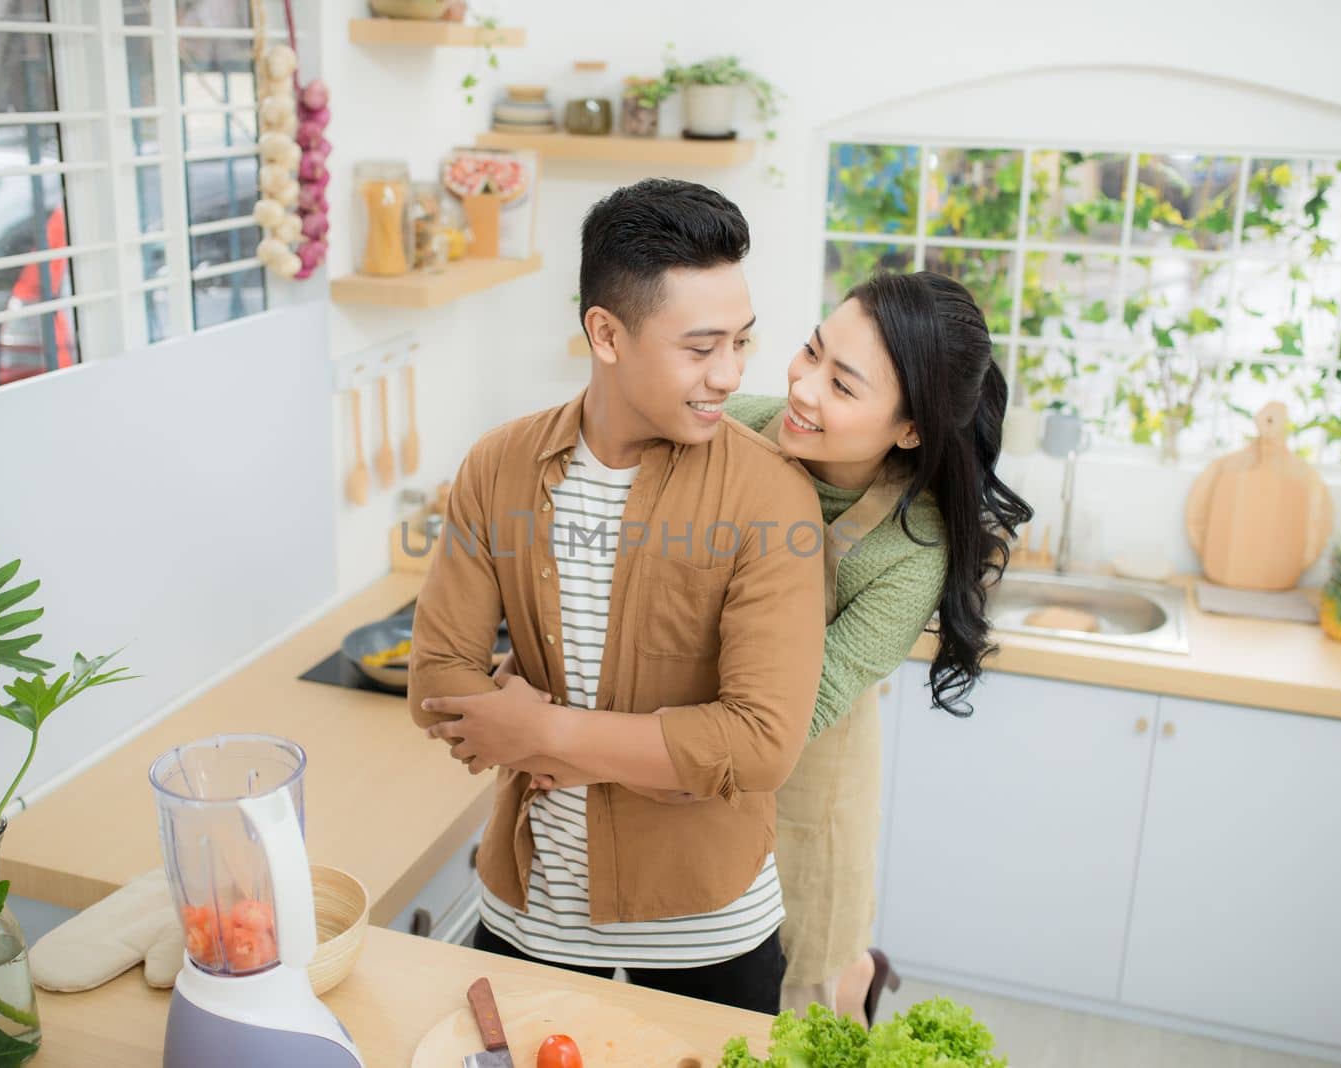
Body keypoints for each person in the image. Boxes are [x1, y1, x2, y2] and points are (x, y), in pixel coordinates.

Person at [407, 178, 826, 1014]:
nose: (730, 374)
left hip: (710, 927)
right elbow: (437, 685)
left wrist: (543, 731)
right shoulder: (498, 467)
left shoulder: (771, 495)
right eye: (700, 347)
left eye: (741, 343)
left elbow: (760, 746)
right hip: (533, 918)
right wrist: (665, 761)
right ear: (606, 332)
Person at [725, 270, 1032, 1023]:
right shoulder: (731, 429)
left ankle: (856, 980)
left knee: (798, 990)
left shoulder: (911, 545)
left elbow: (806, 703)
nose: (803, 387)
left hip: (807, 766)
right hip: (707, 740)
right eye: (810, 352)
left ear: (911, 428)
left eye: (843, 384)